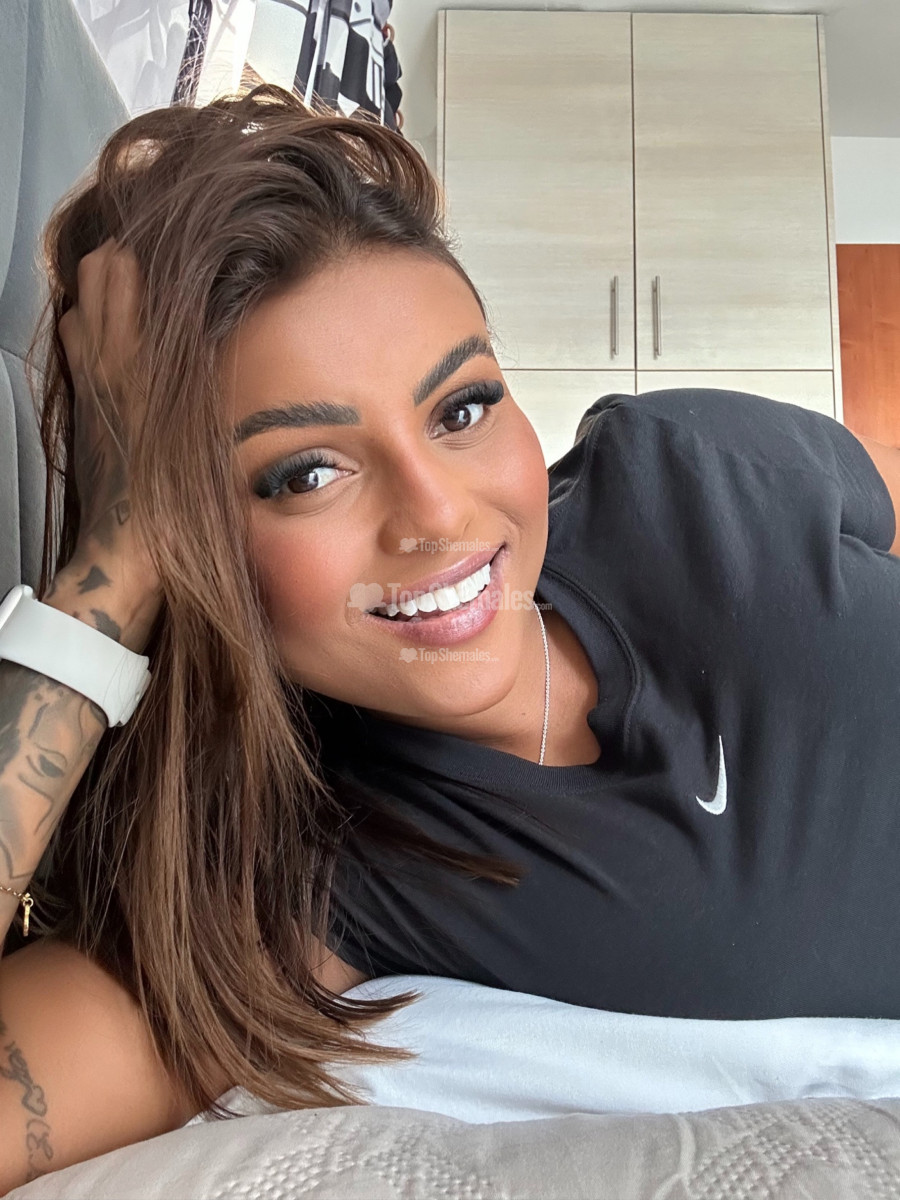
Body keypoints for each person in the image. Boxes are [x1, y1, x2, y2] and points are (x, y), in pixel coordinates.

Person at [1, 83, 898, 1191]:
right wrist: (117, 556)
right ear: (193, 540)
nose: (437, 513)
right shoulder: (314, 883)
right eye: (306, 473)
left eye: (461, 408)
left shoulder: (691, 460)